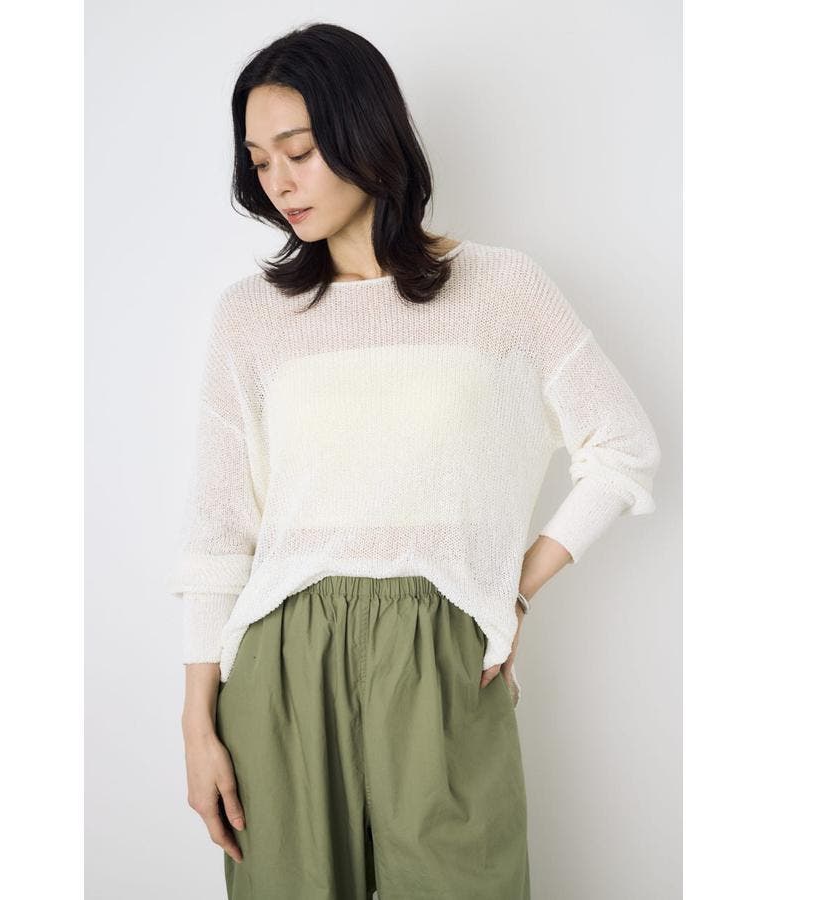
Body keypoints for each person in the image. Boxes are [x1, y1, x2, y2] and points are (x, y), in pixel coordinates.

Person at [168, 22, 661, 900]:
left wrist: (514, 588)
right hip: (282, 661)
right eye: (260, 161)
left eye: (300, 151)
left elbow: (623, 446)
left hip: (442, 652)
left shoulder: (503, 289)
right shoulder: (250, 317)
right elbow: (219, 528)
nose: (280, 181)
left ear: (365, 133)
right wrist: (197, 724)